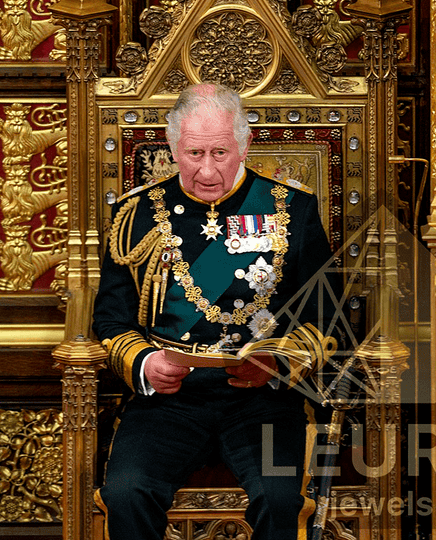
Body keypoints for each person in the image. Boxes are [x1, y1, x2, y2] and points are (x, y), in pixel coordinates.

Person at [92, 83, 338, 540]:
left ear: (244, 144)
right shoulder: (137, 213)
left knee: (279, 498)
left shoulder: (293, 209)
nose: (207, 171)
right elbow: (109, 318)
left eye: (220, 153)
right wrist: (145, 363)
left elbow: (326, 316)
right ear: (172, 147)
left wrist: (278, 362)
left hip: (262, 399)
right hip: (169, 401)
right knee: (126, 492)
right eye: (193, 153)